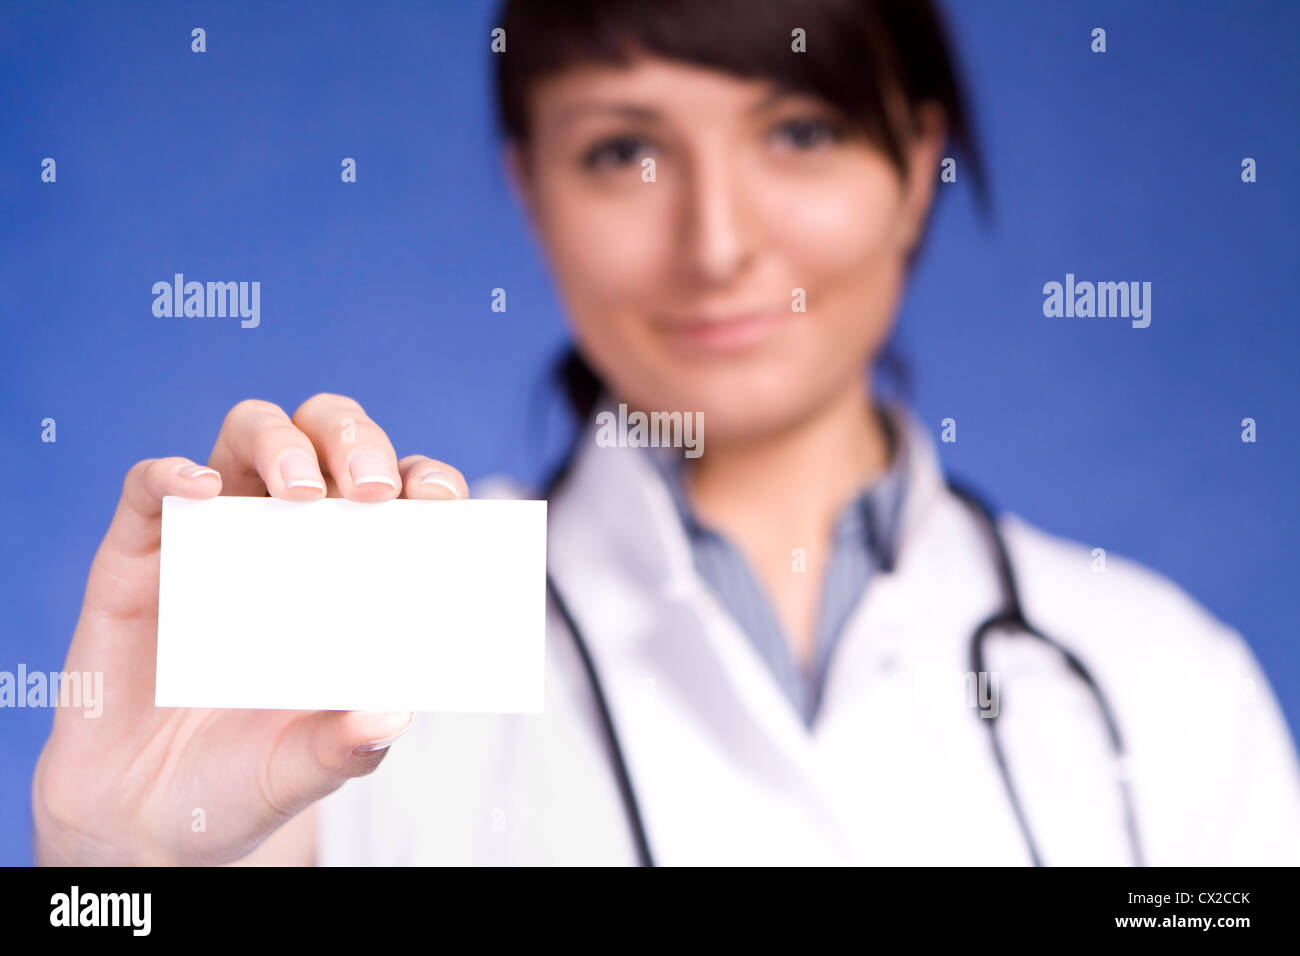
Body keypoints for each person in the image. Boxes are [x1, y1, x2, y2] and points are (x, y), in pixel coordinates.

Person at [32, 0, 1300, 866]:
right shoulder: (352, 657)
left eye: (798, 132)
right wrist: (116, 874)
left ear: (919, 164)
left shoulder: (1160, 681)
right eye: (625, 151)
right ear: (529, 186)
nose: (715, 244)